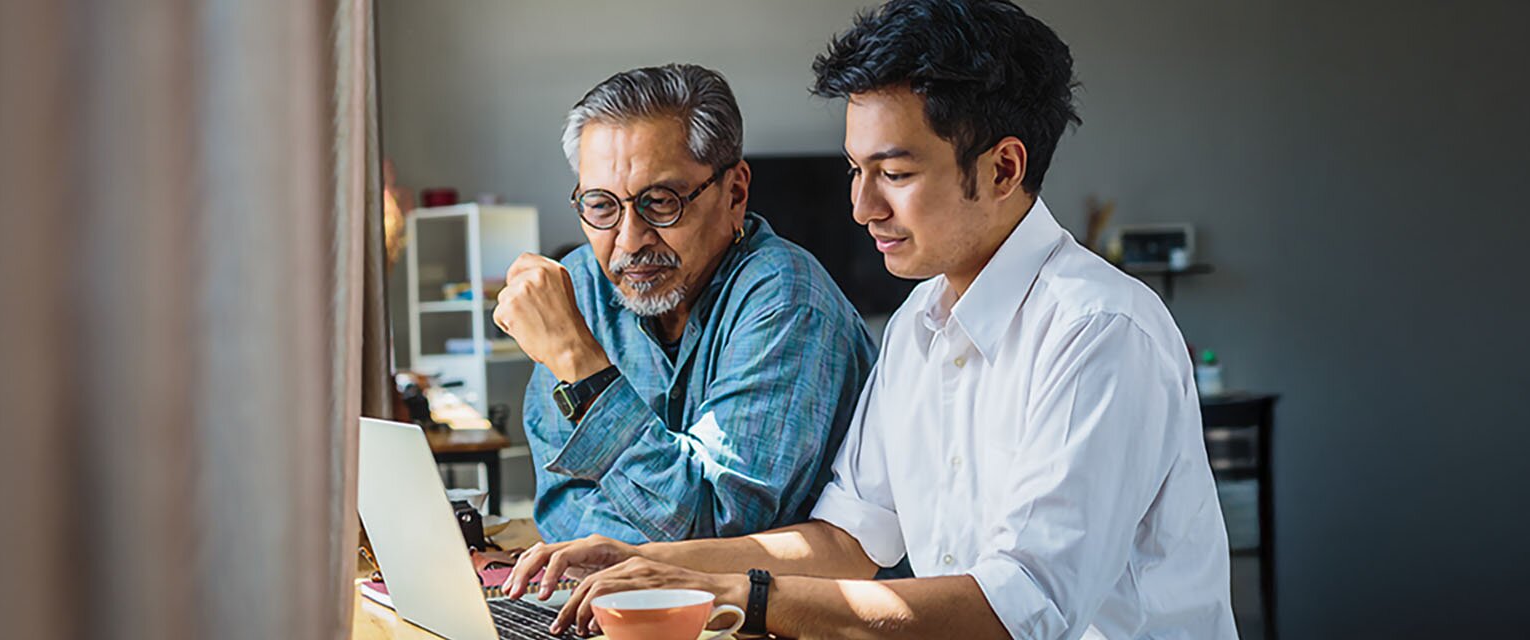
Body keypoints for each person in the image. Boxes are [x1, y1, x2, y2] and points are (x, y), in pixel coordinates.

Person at [500, 2, 1238, 639]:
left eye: (896, 173)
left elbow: (1022, 612)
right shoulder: (921, 321)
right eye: (856, 171)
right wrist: (653, 562)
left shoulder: (1099, 331)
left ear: (1004, 169)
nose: (862, 208)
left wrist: (750, 597)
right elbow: (846, 539)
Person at [491, 63, 878, 544]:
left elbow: (716, 523)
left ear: (734, 193)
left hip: (777, 616)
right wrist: (621, 556)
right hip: (627, 605)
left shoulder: (787, 300)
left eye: (660, 201)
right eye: (601, 205)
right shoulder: (581, 287)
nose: (629, 240)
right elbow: (562, 502)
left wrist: (581, 364)